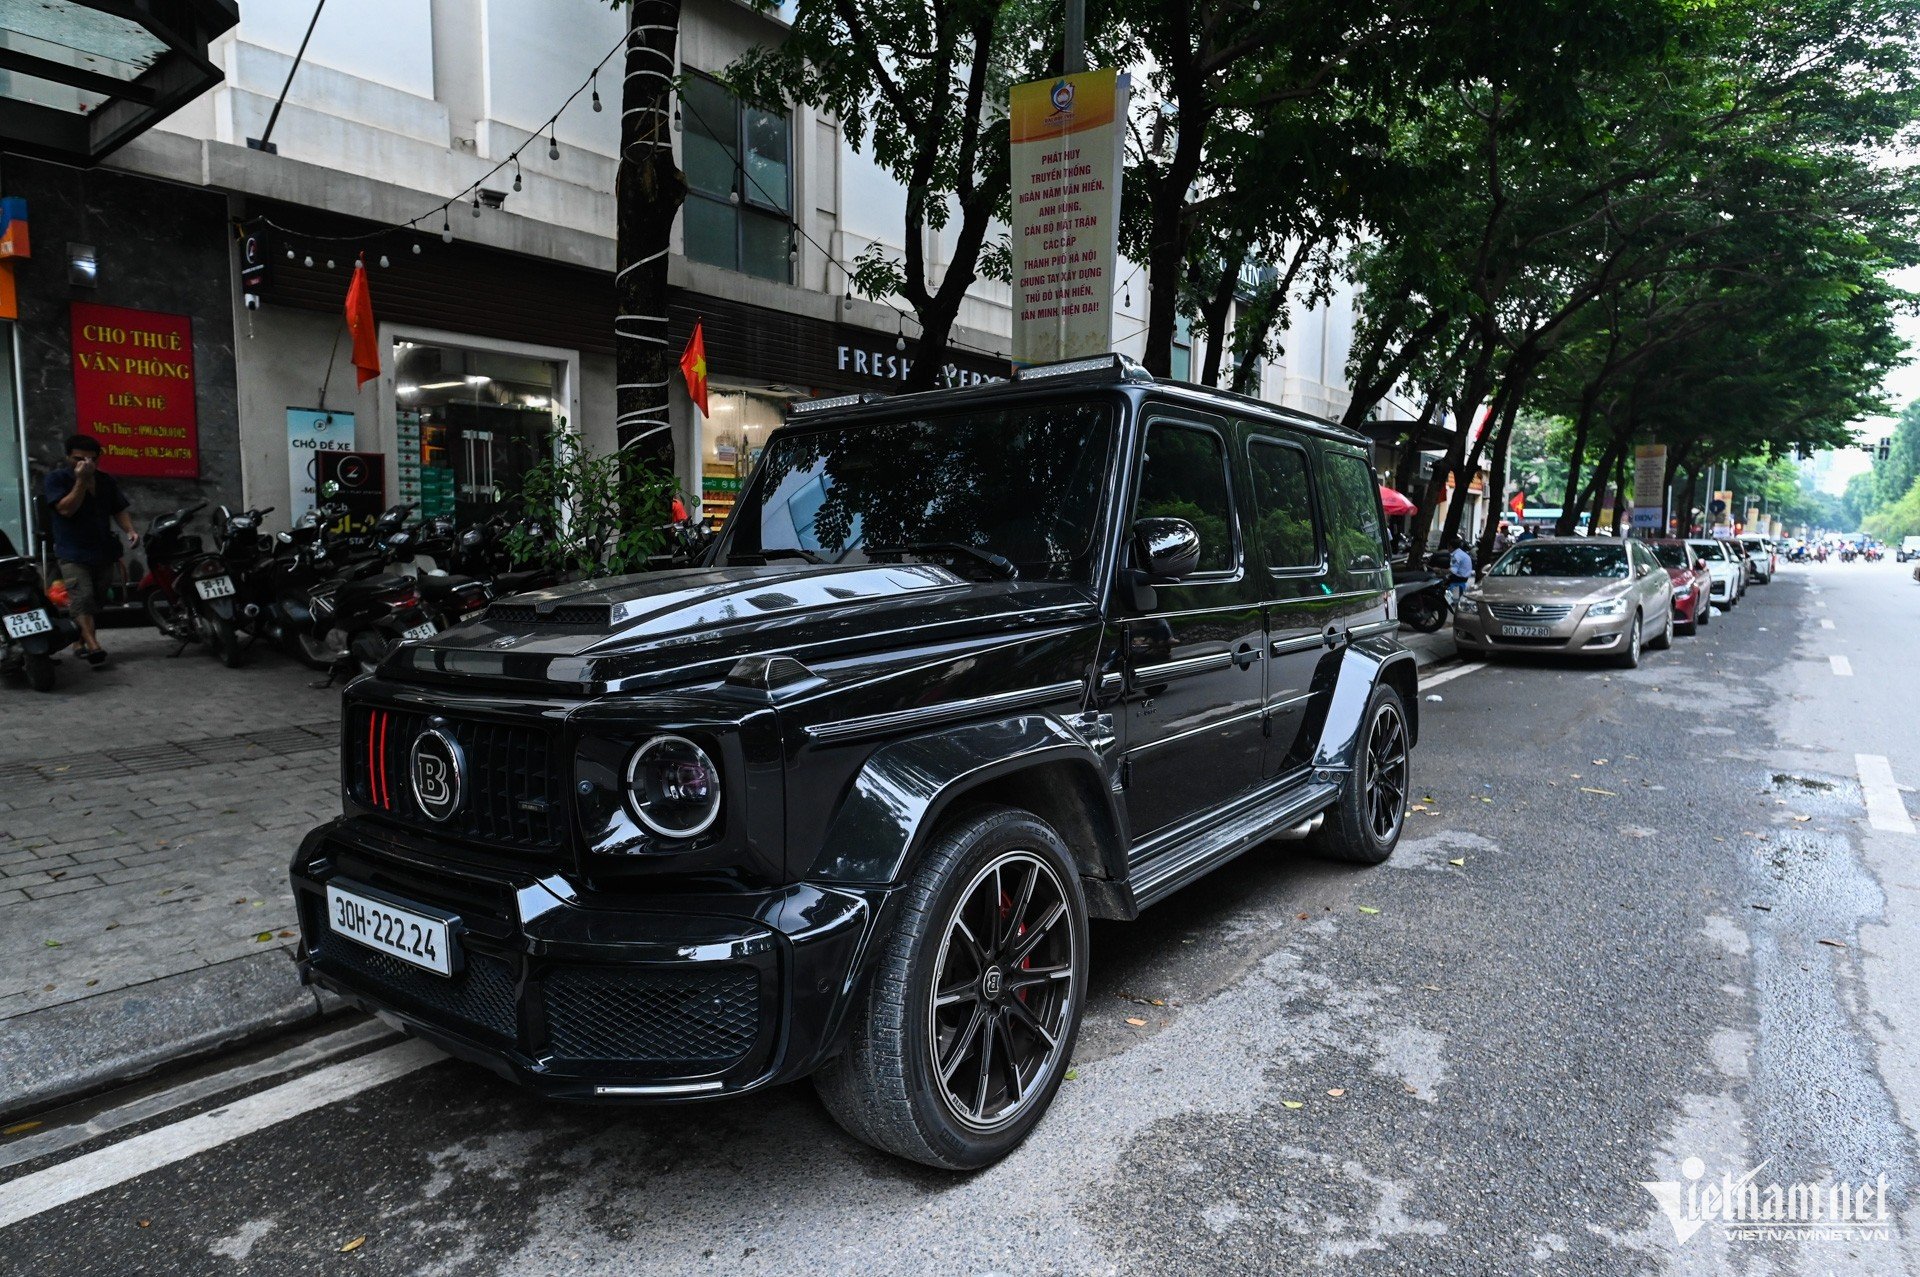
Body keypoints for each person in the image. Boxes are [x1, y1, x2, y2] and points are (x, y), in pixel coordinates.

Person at [43, 434, 137, 666]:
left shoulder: (105, 481)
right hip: (72, 550)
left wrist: (130, 530)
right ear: (68, 457)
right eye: (78, 458)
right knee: (81, 596)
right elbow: (66, 510)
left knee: (97, 597)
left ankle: (80, 639)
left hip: (102, 549)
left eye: (91, 459)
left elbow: (118, 507)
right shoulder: (57, 480)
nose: (85, 463)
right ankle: (94, 646)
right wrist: (81, 482)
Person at [1446, 536, 1475, 607]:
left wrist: (1439, 570)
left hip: (1459, 578)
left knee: (1443, 587)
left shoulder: (1456, 556)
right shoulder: (1462, 554)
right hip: (1465, 577)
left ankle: (1449, 603)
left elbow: (1452, 571)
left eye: (1448, 546)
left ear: (1450, 547)